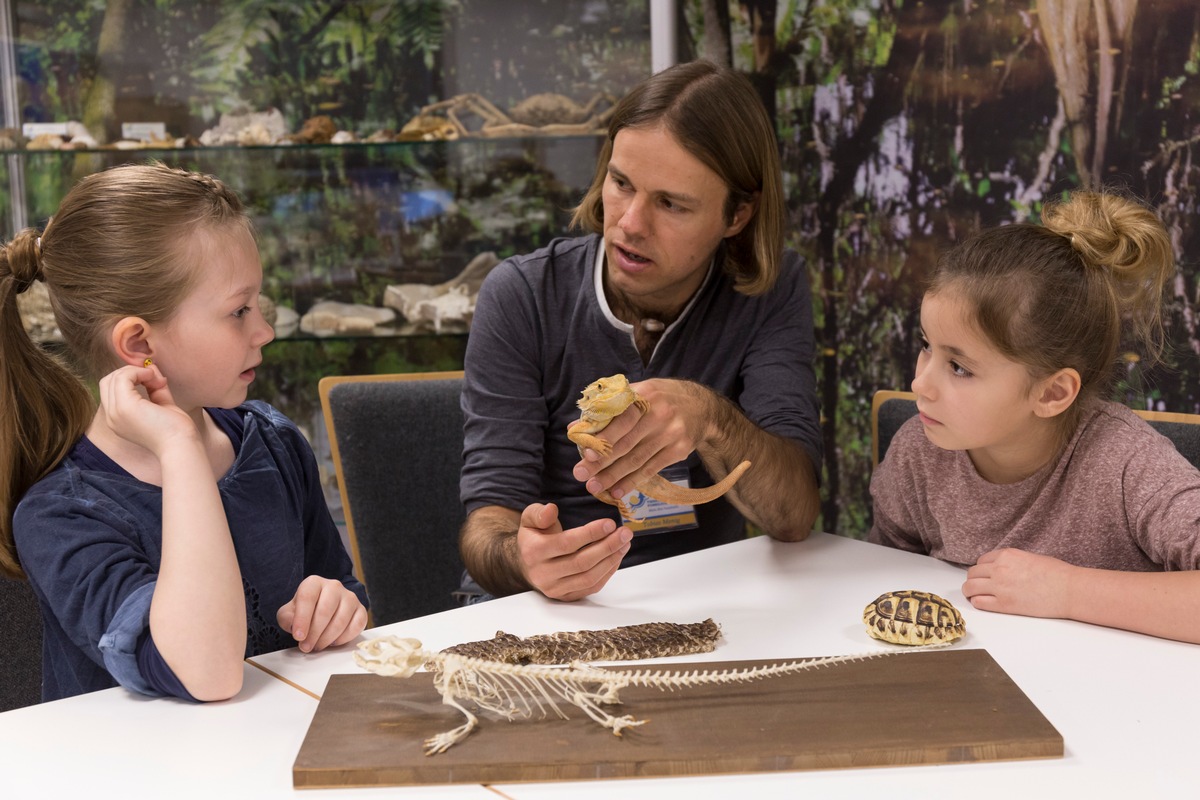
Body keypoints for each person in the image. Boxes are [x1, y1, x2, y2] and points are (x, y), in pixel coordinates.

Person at [0, 163, 369, 702]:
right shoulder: (61, 514)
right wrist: (178, 446)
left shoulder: (273, 441)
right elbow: (204, 672)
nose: (264, 330)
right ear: (138, 344)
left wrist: (339, 607)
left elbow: (348, 596)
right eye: (238, 311)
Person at [458, 59, 823, 603]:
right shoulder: (522, 294)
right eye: (621, 183)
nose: (629, 223)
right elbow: (487, 523)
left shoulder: (769, 291)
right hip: (539, 612)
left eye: (671, 203)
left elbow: (793, 515)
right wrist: (526, 558)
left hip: (702, 608)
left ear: (737, 216)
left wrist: (712, 418)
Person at [869, 190, 1200, 644]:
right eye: (927, 345)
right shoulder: (918, 451)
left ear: (1052, 392)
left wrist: (1068, 591)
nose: (920, 384)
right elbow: (879, 579)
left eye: (960, 367)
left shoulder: (1126, 464)